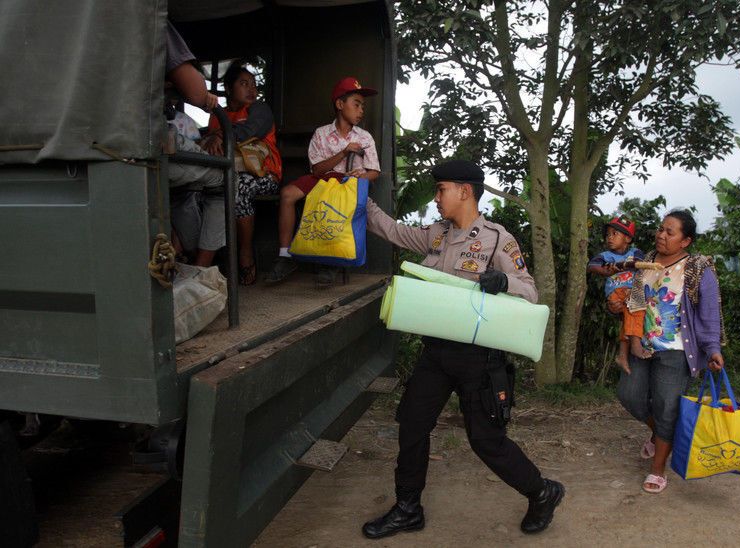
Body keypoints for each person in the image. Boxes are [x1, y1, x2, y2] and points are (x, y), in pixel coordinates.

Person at [360, 159, 564, 538]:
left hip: (478, 359)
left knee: (486, 441)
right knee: (412, 425)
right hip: (436, 353)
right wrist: (359, 195)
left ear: (464, 191)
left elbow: (530, 291)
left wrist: (504, 281)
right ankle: (408, 509)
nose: (436, 198)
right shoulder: (436, 234)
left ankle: (542, 491)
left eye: (441, 190)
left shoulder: (497, 238)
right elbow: (392, 230)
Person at [612, 209, 725, 494]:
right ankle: (663, 433)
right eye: (661, 229)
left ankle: (658, 469)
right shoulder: (646, 261)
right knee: (629, 395)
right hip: (641, 346)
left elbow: (709, 313)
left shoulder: (698, 268)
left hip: (676, 352)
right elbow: (635, 304)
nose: (661, 235)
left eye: (670, 232)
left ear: (685, 241)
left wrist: (712, 348)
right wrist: (618, 311)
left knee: (667, 407)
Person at [264, 77, 381, 288]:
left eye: (362, 106)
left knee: (338, 202)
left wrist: (359, 178)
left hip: (348, 182)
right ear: (339, 104)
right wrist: (344, 151)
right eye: (356, 104)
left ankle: (331, 262)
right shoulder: (322, 133)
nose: (361, 110)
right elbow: (317, 170)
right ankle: (285, 256)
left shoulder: (365, 137)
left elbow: (374, 172)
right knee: (288, 194)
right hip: (322, 178)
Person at [203, 63, 282, 285]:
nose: (251, 90)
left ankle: (244, 254)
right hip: (229, 174)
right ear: (228, 88)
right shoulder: (219, 116)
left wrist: (223, 135)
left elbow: (250, 130)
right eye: (244, 84)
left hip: (265, 175)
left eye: (254, 85)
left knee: (239, 186)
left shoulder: (259, 110)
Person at [165, 88, 225, 266]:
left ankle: (188, 256)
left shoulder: (184, 121)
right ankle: (200, 269)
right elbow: (193, 87)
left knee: (185, 196)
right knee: (227, 179)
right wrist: (203, 97)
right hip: (161, 149)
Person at [587, 216, 648, 372]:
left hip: (630, 294)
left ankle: (622, 356)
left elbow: (641, 265)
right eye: (608, 234)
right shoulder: (606, 256)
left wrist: (628, 265)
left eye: (615, 234)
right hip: (616, 293)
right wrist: (606, 270)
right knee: (635, 309)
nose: (610, 238)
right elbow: (591, 266)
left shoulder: (635, 253)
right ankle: (635, 344)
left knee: (630, 316)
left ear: (627, 238)